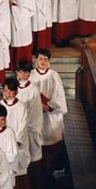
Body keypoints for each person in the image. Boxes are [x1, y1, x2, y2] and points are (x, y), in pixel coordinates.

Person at [30, 49, 67, 179]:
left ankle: (50, 172)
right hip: (35, 115)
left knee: (52, 145)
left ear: (49, 61)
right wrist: (38, 106)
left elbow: (59, 96)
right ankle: (38, 174)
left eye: (46, 59)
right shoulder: (30, 76)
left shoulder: (54, 75)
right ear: (35, 60)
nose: (43, 62)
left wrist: (49, 106)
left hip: (51, 115)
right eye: (40, 59)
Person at [0, 77, 34, 189]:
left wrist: (14, 142)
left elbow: (23, 126)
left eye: (11, 91)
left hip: (17, 145)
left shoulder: (21, 107)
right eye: (6, 91)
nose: (8, 94)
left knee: (18, 173)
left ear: (16, 92)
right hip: (3, 146)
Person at [16, 61, 46, 189]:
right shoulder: (13, 89)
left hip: (30, 131)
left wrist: (29, 129)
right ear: (17, 73)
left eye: (27, 72)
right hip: (17, 133)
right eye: (21, 72)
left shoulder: (33, 90)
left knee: (34, 165)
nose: (24, 75)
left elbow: (35, 113)